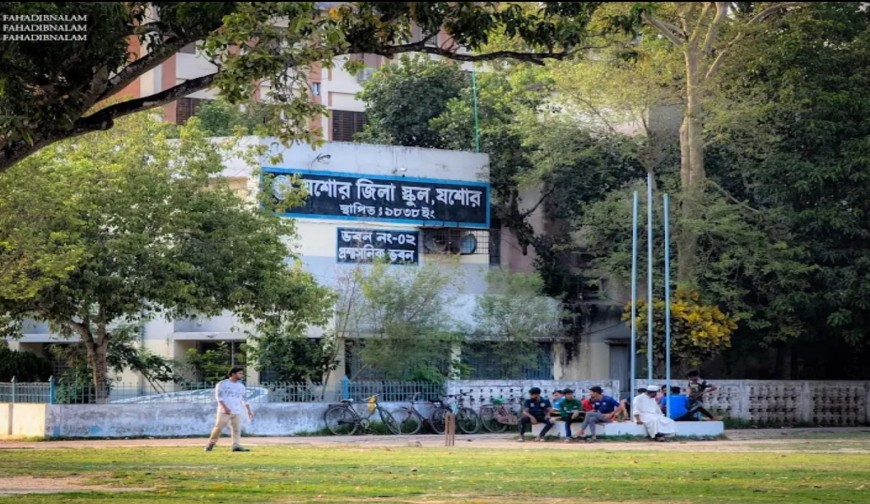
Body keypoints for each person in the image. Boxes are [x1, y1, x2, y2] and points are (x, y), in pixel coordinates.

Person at [205, 366, 254, 452]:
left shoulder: (241, 386)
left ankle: (236, 445)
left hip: (236, 411)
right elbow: (218, 397)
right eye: (240, 373)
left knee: (236, 429)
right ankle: (211, 444)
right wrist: (225, 408)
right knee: (218, 428)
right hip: (224, 411)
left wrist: (249, 410)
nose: (241, 375)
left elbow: (244, 399)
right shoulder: (222, 384)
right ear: (233, 374)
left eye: (242, 373)